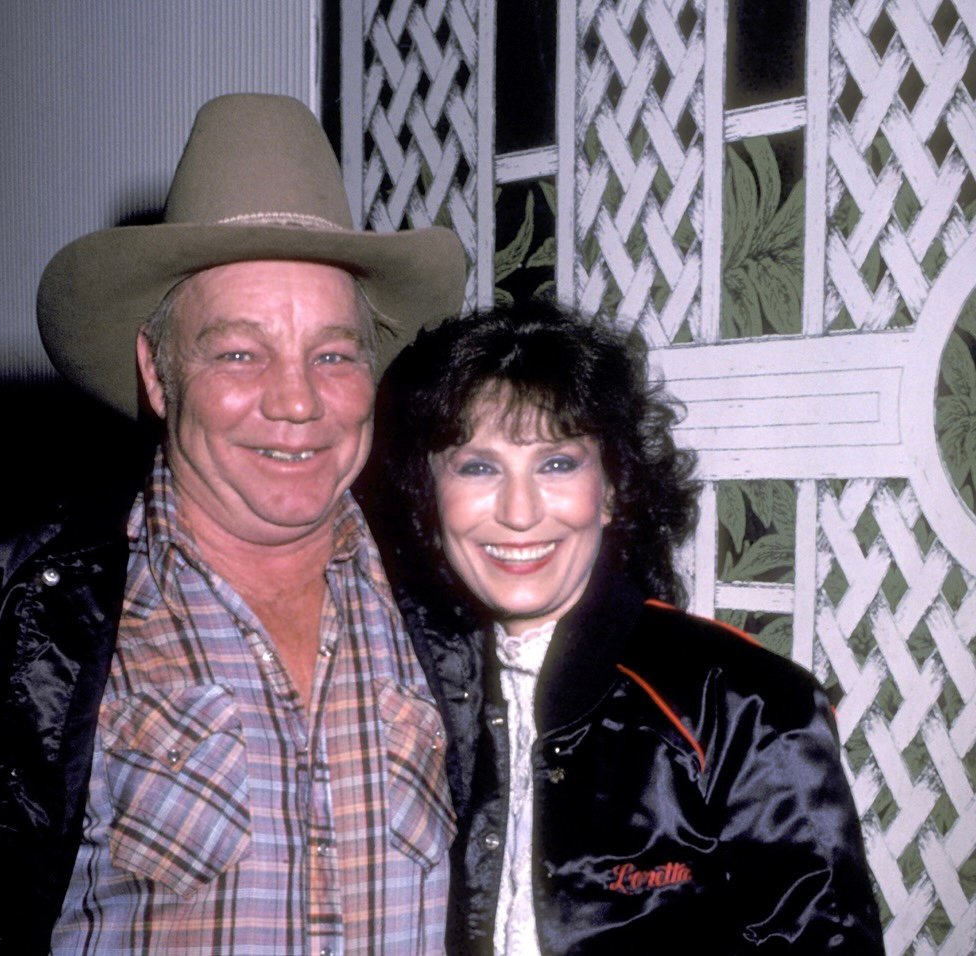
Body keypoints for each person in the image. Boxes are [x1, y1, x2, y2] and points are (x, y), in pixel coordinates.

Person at [0, 94, 466, 954]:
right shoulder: (10, 616)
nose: (298, 400)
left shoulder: (459, 605)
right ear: (158, 377)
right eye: (239, 352)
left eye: (335, 354)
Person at [372, 301, 885, 953]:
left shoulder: (745, 705)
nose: (520, 511)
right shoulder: (403, 688)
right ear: (428, 493)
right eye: (478, 466)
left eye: (557, 463)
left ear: (612, 487)